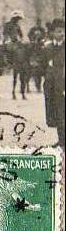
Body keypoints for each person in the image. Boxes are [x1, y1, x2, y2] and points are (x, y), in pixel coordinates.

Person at [43, 18, 65, 148]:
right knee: (55, 112)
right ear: (53, 33)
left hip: (64, 85)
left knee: (65, 111)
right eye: (59, 31)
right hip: (51, 85)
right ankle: (61, 139)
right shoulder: (48, 47)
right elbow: (42, 65)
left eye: (64, 31)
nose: (62, 34)